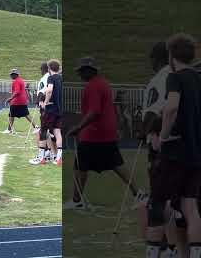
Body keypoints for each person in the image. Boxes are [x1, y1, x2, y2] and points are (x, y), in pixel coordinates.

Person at [64, 57, 146, 210]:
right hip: (106, 133)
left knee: (80, 166)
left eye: (82, 71)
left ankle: (77, 200)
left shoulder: (93, 86)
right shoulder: (103, 83)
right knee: (117, 164)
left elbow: (94, 112)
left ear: (90, 71)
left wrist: (78, 127)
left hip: (93, 134)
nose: (79, 74)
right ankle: (139, 194)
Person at [145, 34, 201, 258]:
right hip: (195, 152)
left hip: (175, 151)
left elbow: (171, 108)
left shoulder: (175, 78)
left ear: (171, 55)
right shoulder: (198, 78)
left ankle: (156, 252)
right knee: (190, 206)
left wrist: (164, 136)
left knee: (158, 202)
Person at [135, 42, 184, 257]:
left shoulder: (159, 80)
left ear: (156, 60)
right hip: (180, 145)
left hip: (159, 145)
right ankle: (174, 246)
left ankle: (162, 248)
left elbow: (153, 114)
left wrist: (143, 131)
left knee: (159, 198)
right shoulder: (178, 77)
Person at [31, 60, 63, 165]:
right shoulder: (61, 78)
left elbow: (49, 90)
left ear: (49, 68)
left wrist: (45, 102)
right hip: (59, 110)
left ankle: (42, 158)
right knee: (57, 132)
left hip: (50, 109)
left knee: (43, 131)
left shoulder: (50, 77)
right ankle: (58, 158)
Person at [2, 68, 37, 134]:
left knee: (11, 115)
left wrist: (11, 98)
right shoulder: (20, 80)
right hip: (22, 101)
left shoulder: (16, 81)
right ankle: (36, 127)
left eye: (12, 74)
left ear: (15, 75)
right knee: (26, 114)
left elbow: (17, 91)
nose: (11, 76)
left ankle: (9, 130)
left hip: (17, 101)